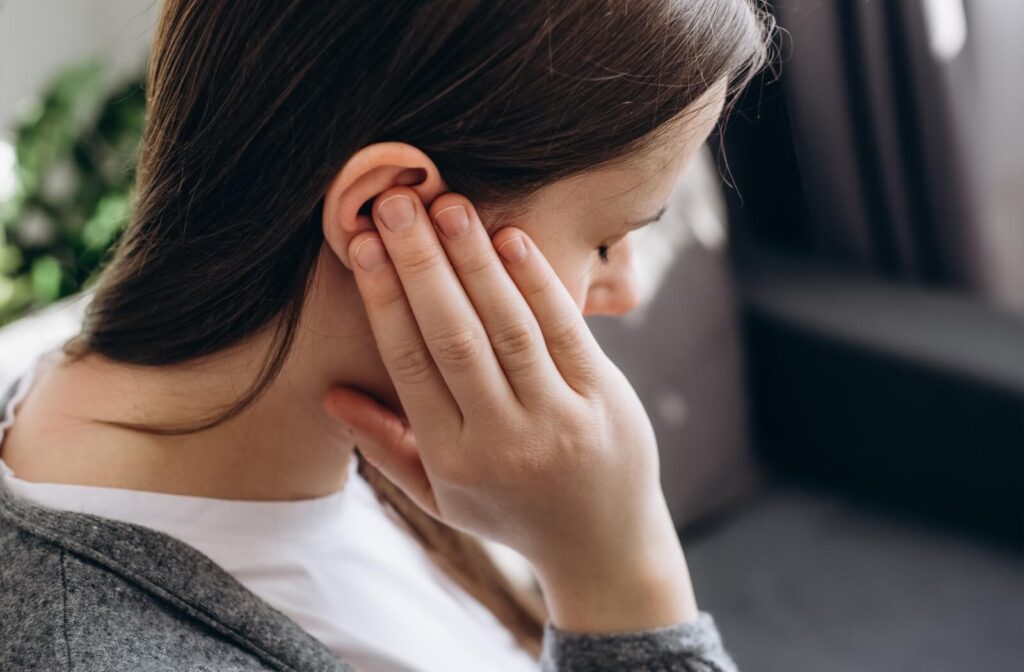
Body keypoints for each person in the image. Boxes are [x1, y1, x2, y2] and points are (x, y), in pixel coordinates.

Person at [0, 1, 772, 670]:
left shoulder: (355, 426)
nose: (625, 287)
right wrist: (619, 579)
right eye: (607, 238)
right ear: (388, 212)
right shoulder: (97, 647)